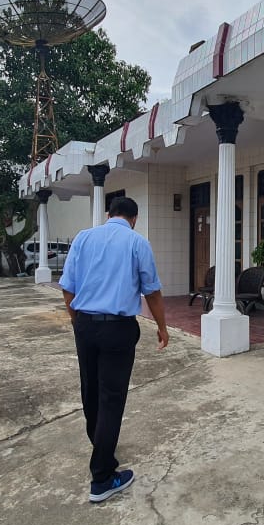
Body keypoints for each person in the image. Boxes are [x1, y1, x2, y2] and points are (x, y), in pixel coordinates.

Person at [58, 196, 169, 503]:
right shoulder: (137, 243)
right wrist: (162, 327)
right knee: (111, 398)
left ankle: (100, 443)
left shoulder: (83, 238)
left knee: (90, 390)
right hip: (118, 329)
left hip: (85, 324)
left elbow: (67, 288)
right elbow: (153, 293)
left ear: (109, 214)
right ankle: (103, 478)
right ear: (134, 219)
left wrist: (78, 323)